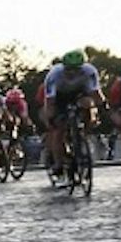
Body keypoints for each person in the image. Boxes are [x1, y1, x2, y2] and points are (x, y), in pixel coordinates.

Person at [40, 50, 104, 178]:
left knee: (87, 105)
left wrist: (102, 106)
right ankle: (58, 163)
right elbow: (50, 102)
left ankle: (83, 136)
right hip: (60, 97)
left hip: (80, 93)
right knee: (58, 131)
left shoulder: (89, 71)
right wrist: (51, 118)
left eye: (76, 70)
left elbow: (96, 93)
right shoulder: (54, 75)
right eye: (69, 70)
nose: (72, 73)